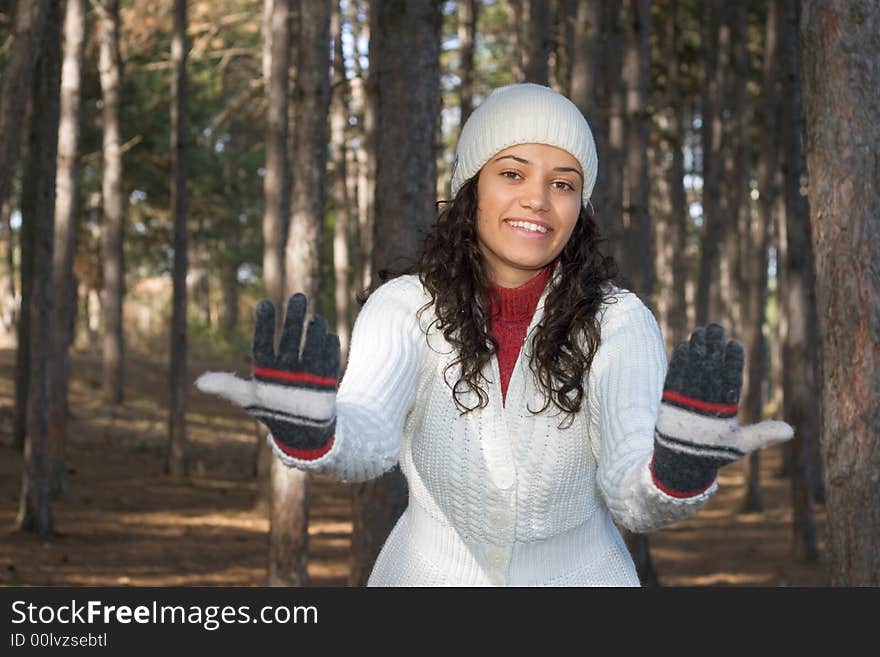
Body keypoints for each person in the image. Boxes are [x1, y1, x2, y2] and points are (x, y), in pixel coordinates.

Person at [196, 83, 793, 586]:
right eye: (512, 173)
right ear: (472, 187)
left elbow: (631, 492)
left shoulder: (619, 321)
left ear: (579, 208)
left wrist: (675, 473)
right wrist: (314, 431)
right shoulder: (405, 306)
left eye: (563, 183)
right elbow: (369, 435)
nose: (538, 198)